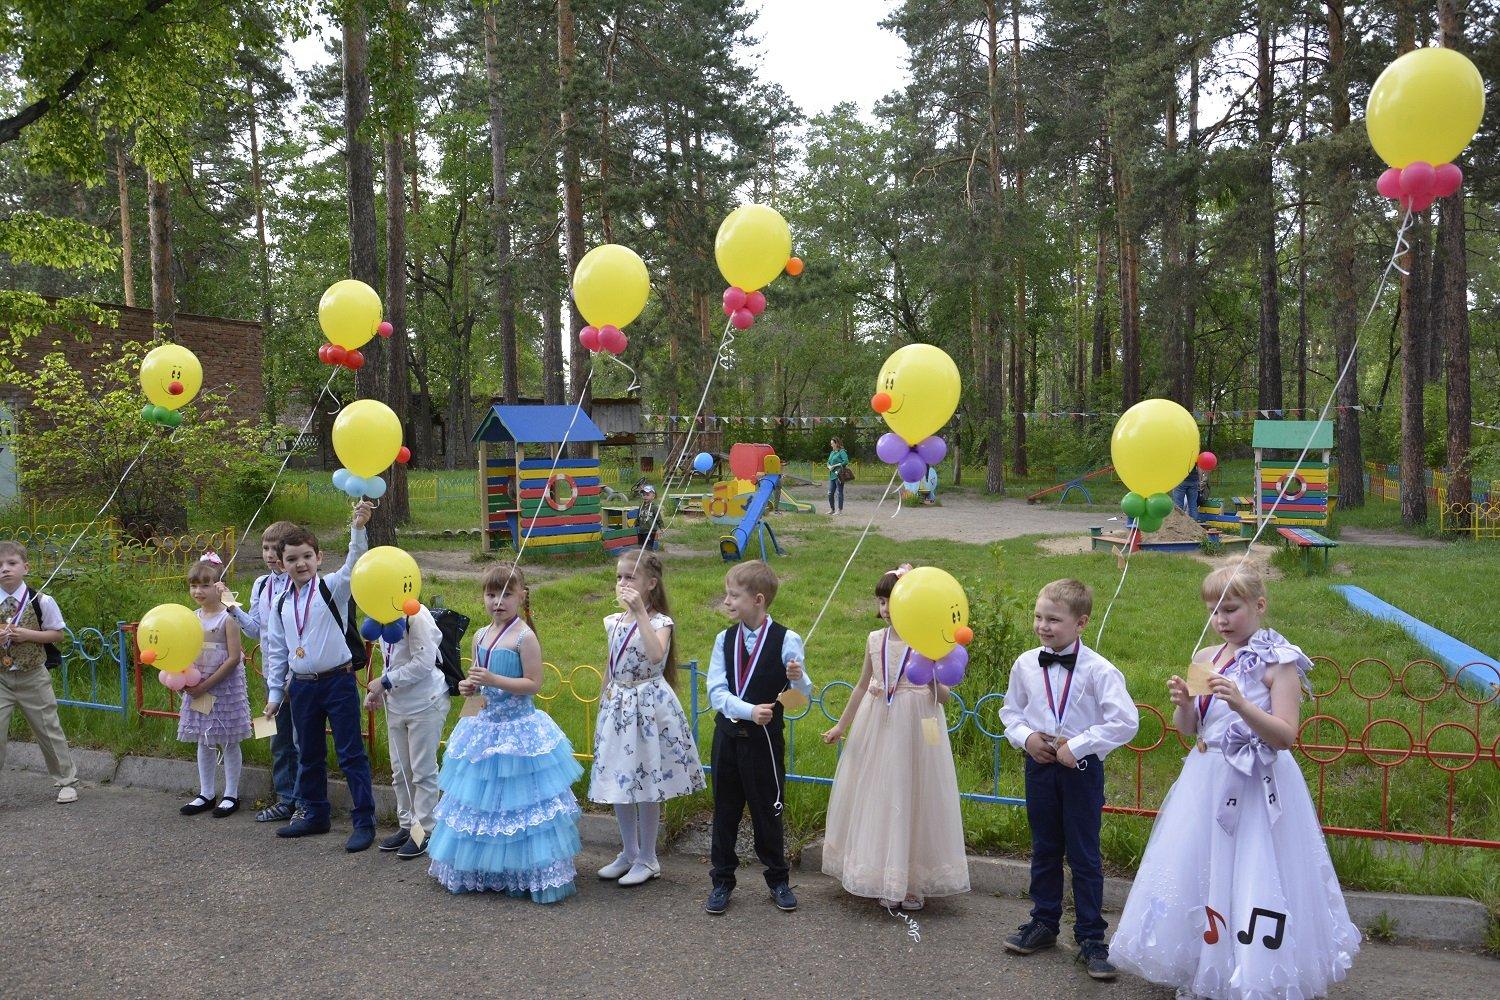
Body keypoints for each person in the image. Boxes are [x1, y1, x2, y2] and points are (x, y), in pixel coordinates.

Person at [1110, 568, 1359, 1000]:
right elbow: (1190, 729)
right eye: (1213, 612)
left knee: (1253, 870)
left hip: (1254, 786)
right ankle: (1206, 962)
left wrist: (1242, 704)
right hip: (1206, 780)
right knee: (1204, 867)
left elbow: (1284, 735)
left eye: (1230, 609)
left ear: (1258, 606)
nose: (1221, 620)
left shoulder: (1278, 662)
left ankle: (1256, 967)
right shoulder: (1206, 657)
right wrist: (1186, 704)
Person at [1000, 579, 1139, 982]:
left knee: (1083, 854)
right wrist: (1026, 738)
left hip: (1080, 771)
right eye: (1039, 617)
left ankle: (1092, 938)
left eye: (1054, 620)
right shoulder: (1026, 664)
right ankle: (1043, 923)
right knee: (1044, 847)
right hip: (1039, 765)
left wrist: (1078, 745)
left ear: (1081, 623)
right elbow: (1012, 712)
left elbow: (1125, 721)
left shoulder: (1100, 670)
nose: (1043, 626)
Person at [427, 562, 581, 902]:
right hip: (485, 727)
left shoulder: (525, 636)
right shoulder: (480, 636)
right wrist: (470, 689)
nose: (498, 601)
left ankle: (525, 872)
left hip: (519, 729)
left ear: (521, 596)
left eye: (506, 594)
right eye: (491, 594)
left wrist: (494, 680)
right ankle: (482, 869)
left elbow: (533, 684)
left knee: (519, 804)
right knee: (482, 802)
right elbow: (480, 684)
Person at [820, 564, 969, 910]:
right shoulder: (875, 640)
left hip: (917, 725)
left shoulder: (927, 642)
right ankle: (883, 875)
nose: (886, 609)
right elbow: (861, 686)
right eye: (882, 602)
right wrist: (842, 726)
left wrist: (932, 677)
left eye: (892, 601)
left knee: (915, 792)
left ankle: (911, 881)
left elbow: (945, 695)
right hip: (878, 724)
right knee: (880, 794)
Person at [262, 502, 375, 852]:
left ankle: (364, 821)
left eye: (307, 556)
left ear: (319, 557)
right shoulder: (281, 603)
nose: (301, 564)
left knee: (350, 753)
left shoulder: (332, 588)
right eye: (293, 559)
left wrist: (358, 526)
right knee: (307, 753)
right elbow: (278, 650)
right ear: (282, 564)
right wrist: (274, 695)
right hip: (303, 687)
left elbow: (356, 562)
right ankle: (313, 813)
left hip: (337, 682)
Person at [704, 559, 813, 915]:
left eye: (735, 595)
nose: (728, 601)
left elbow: (798, 698)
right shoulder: (724, 640)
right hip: (728, 738)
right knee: (725, 810)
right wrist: (750, 710)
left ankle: (778, 878)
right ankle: (721, 880)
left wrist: (797, 677)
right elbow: (716, 693)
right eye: (727, 594)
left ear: (759, 599)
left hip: (765, 743)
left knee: (768, 809)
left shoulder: (787, 639)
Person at [590, 551, 705, 886]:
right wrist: (603, 701)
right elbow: (610, 666)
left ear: (650, 584)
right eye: (619, 577)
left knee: (646, 782)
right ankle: (628, 851)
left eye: (630, 577)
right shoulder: (612, 621)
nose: (623, 583)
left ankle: (648, 857)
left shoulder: (660, 622)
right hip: (619, 707)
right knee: (620, 780)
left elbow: (656, 656)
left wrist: (640, 611)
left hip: (648, 708)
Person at [219, 520, 300, 823]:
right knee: (275, 737)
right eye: (265, 547)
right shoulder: (261, 584)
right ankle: (285, 797)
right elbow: (256, 630)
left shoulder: (300, 582)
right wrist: (231, 607)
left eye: (275, 548)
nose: (269, 554)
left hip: (298, 674)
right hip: (271, 676)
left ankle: (304, 800)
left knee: (299, 739)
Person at [362, 602, 446, 861]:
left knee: (422, 771)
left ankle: (425, 830)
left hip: (425, 702)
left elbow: (423, 662)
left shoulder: (416, 616)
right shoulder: (381, 613)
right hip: (397, 704)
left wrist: (385, 682)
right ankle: (407, 825)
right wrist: (380, 691)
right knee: (400, 771)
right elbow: (392, 659)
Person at [0, 540, 79, 803]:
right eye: (0, 565)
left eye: (11, 563)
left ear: (25, 567)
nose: (5, 569)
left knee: (48, 728)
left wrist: (27, 635)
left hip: (33, 676)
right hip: (1, 679)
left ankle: (66, 780)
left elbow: (57, 634)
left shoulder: (40, 600)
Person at [176, 554, 250, 818]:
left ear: (219, 587)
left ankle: (231, 793)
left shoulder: (227, 619)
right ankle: (206, 792)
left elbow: (233, 658)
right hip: (197, 687)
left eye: (205, 585)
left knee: (228, 739)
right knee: (203, 739)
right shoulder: (191, 617)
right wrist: (184, 680)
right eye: (194, 586)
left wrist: (206, 684)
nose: (198, 591)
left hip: (222, 686)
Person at [826, 437, 849, 515]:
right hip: (832, 475)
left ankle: (839, 510)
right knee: (830, 493)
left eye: (832, 443)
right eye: (831, 443)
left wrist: (836, 465)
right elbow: (828, 462)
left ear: (836, 443)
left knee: (839, 492)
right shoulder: (832, 453)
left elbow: (845, 461)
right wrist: (829, 466)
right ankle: (832, 509)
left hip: (839, 475)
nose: (831, 445)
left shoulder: (842, 452)